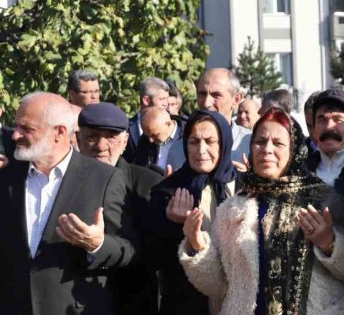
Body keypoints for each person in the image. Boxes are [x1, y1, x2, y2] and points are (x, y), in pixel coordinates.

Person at [178, 107, 344, 314]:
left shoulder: (323, 201)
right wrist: (197, 244)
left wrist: (329, 243)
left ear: (294, 149)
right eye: (260, 142)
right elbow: (217, 285)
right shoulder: (231, 209)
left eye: (278, 143)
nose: (267, 149)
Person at [0, 92, 136, 314]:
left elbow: (128, 248)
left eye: (27, 128)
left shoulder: (103, 178)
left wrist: (97, 244)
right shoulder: (6, 178)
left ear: (59, 133)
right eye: (16, 126)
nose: (15, 135)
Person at [147, 110, 238, 314]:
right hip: (187, 305)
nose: (201, 150)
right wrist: (173, 224)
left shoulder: (244, 186)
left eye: (210, 141)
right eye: (194, 141)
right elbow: (153, 257)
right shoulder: (168, 191)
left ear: (224, 144)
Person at [77, 102, 164, 315]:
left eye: (111, 137)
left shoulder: (149, 184)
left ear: (125, 141)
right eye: (92, 136)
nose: (101, 145)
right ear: (78, 139)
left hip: (132, 302)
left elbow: (154, 253)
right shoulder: (61, 183)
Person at [306, 89, 344, 198]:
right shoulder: (300, 172)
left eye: (338, 120)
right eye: (322, 120)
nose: (329, 127)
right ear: (313, 128)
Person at [196, 68, 251, 165]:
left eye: (216, 95)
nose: (206, 103)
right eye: (202, 94)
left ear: (236, 99)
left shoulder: (251, 146)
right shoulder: (179, 148)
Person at [126, 77, 172, 160]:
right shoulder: (126, 127)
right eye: (162, 99)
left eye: (167, 99)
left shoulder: (174, 126)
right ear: (146, 100)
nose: (166, 104)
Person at [135, 106, 185, 175]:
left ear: (168, 124)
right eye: (148, 135)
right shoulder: (144, 141)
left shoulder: (188, 136)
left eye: (154, 135)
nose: (151, 140)